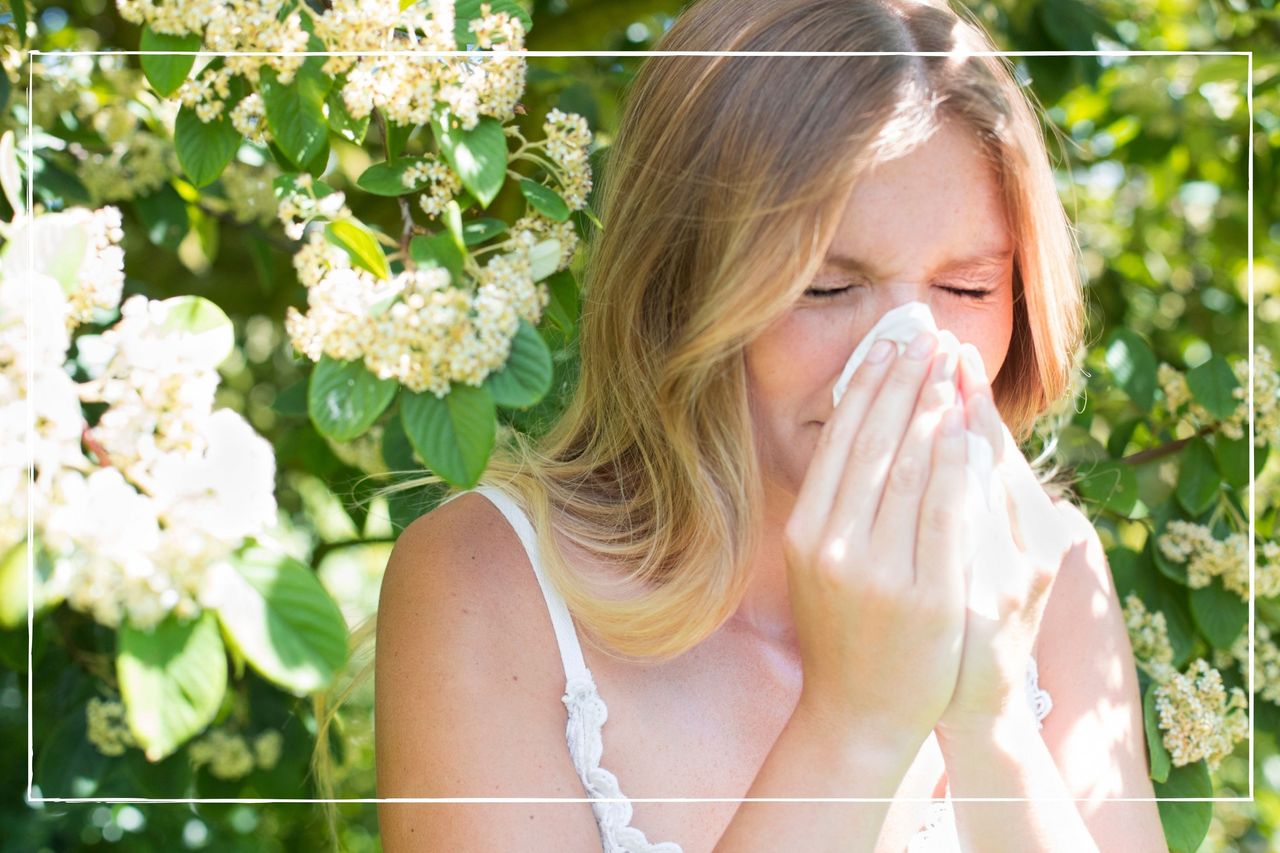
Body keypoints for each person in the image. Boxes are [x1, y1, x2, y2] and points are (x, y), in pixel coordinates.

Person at [372, 0, 1167, 849]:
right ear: (682, 289)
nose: (909, 353)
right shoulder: (485, 584)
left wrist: (994, 720)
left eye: (968, 289)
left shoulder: (1052, 570)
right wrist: (855, 722)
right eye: (824, 288)